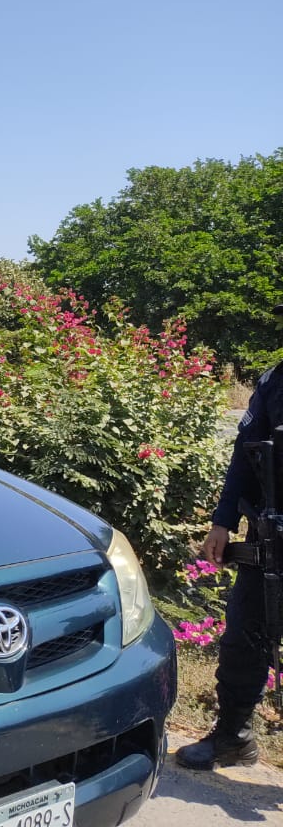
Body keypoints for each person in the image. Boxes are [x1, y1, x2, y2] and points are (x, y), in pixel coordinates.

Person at [173, 305, 283, 770]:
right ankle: (233, 738)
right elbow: (244, 458)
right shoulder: (274, 381)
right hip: (269, 541)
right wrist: (222, 522)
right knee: (244, 639)